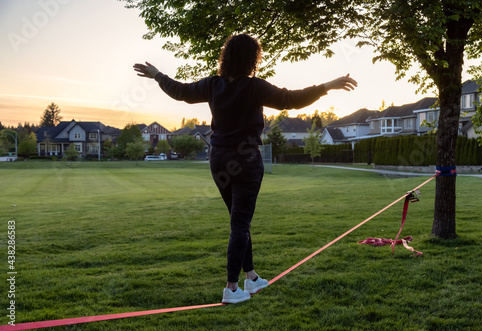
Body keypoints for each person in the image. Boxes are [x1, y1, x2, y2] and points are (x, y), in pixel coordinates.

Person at [133, 33, 357, 304]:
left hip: (218, 159)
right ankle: (231, 287)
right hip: (246, 161)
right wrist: (327, 86)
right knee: (240, 222)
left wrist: (158, 75)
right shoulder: (253, 87)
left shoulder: (212, 85)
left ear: (225, 57)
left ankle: (251, 277)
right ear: (253, 59)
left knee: (239, 221)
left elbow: (181, 92)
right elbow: (291, 100)